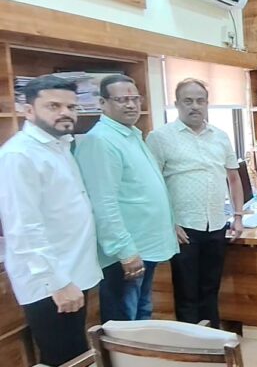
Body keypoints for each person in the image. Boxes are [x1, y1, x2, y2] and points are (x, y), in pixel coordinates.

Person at [0, 76, 102, 366]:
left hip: (72, 270)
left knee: (77, 354)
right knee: (64, 357)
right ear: (28, 110)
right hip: (51, 281)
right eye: (54, 106)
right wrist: (58, 283)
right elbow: (23, 229)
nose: (65, 113)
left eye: (71, 106)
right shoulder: (19, 155)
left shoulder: (59, 145)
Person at [75, 74, 178, 323]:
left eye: (135, 99)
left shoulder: (130, 134)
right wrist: (125, 251)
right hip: (127, 252)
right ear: (102, 103)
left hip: (145, 245)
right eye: (122, 100)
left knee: (142, 313)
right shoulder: (100, 141)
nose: (131, 105)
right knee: (123, 322)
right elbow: (103, 203)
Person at [146, 78, 244, 329]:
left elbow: (233, 178)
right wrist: (168, 223)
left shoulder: (220, 136)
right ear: (177, 104)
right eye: (188, 101)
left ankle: (214, 342)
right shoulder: (159, 138)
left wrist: (238, 216)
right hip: (183, 228)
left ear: (207, 103)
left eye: (200, 101)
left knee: (211, 289)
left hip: (217, 224)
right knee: (187, 294)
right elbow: (152, 185)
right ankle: (191, 345)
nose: (195, 106)